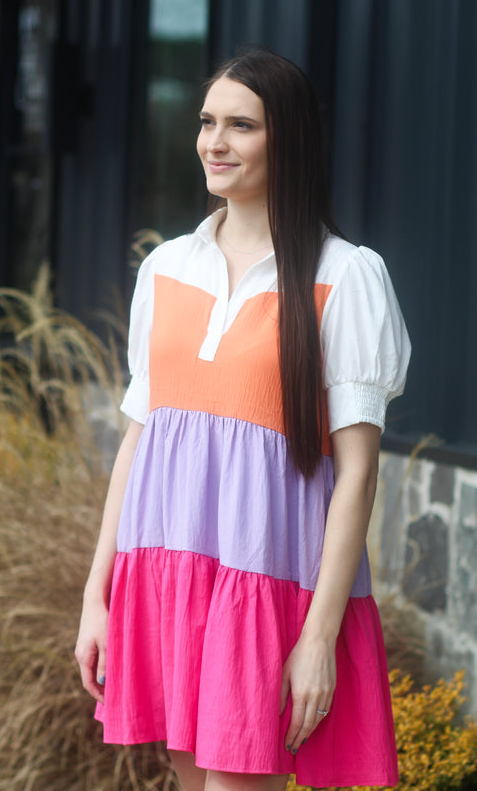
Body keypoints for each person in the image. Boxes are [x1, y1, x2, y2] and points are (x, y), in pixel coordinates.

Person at [75, 48, 411, 791]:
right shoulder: (166, 267)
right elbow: (141, 436)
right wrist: (98, 596)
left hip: (264, 594)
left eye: (239, 126)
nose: (212, 142)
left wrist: (317, 636)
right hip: (165, 579)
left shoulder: (345, 275)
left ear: (284, 139)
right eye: (205, 122)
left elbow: (355, 472)